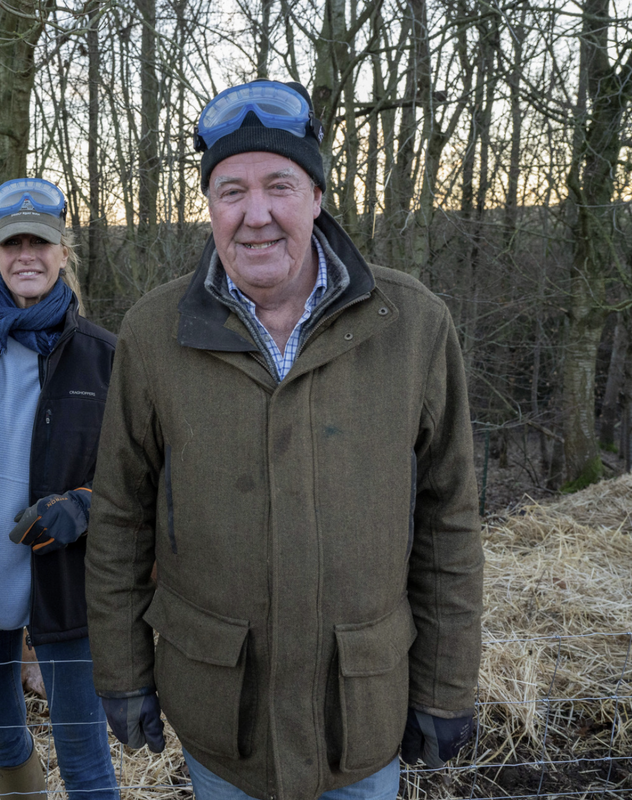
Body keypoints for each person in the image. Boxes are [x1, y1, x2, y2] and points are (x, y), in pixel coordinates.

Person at [85, 80, 484, 800]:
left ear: (319, 195)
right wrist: (121, 674)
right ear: (209, 206)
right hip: (219, 715)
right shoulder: (152, 332)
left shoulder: (414, 324)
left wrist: (447, 685)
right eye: (231, 190)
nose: (256, 214)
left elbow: (449, 522)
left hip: (359, 714)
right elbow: (119, 516)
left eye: (280, 185)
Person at [0, 178, 119, 799]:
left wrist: (84, 505)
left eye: (41, 242)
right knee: (1, 736)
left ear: (64, 251)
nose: (27, 256)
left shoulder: (103, 357)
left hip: (65, 585)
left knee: (84, 752)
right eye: (13, 244)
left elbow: (143, 474)